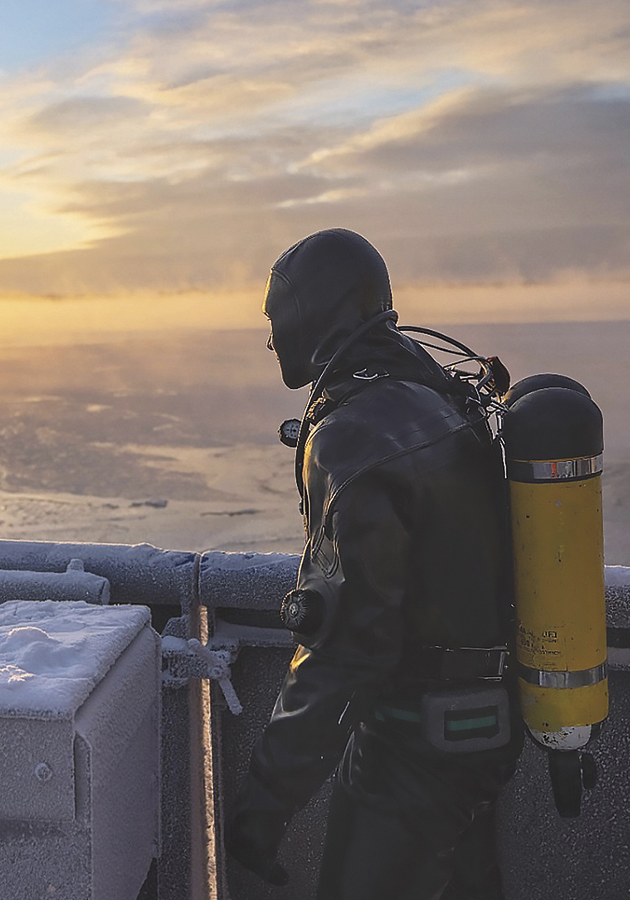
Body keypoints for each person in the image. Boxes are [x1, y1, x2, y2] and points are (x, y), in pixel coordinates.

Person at [226, 229, 522, 899]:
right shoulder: (435, 391)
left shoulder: (352, 436)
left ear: (316, 313)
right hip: (483, 725)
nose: (273, 335)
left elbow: (346, 648)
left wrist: (265, 802)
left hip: (413, 746)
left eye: (278, 315)